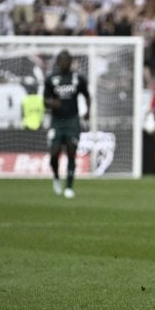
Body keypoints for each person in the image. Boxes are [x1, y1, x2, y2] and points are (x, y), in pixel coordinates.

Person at [44, 49, 91, 199]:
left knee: (72, 151)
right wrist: (52, 102)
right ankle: (56, 176)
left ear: (71, 62)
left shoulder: (78, 79)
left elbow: (87, 95)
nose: (65, 63)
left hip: (72, 120)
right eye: (62, 60)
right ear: (58, 62)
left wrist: (88, 110)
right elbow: (44, 100)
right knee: (54, 153)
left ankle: (69, 187)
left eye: (67, 60)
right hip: (57, 122)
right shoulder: (51, 79)